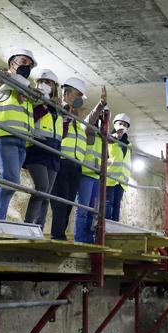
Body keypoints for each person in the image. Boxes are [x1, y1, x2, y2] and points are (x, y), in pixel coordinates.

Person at [0, 48, 36, 220]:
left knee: (11, 182)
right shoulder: (3, 78)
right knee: (10, 180)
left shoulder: (27, 89)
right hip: (3, 135)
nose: (26, 66)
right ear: (12, 63)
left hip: (20, 140)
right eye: (23, 61)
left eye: (29, 64)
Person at [74, 111, 132, 243]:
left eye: (125, 124)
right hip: (103, 177)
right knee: (88, 208)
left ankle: (98, 236)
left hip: (114, 180)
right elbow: (109, 139)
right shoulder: (104, 136)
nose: (122, 126)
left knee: (96, 210)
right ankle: (83, 238)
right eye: (120, 123)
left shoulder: (128, 145)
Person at [49, 77, 90, 240]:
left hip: (75, 165)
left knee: (68, 202)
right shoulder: (58, 108)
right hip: (61, 161)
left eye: (80, 95)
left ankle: (60, 233)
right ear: (67, 92)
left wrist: (75, 115)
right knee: (60, 200)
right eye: (77, 94)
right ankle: (57, 235)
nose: (78, 98)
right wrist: (67, 112)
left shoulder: (77, 122)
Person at [22, 68, 62, 227]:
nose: (44, 85)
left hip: (53, 151)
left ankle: (39, 228)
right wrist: (46, 104)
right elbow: (30, 117)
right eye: (42, 81)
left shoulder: (57, 109)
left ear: (54, 87)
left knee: (46, 194)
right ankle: (28, 225)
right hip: (37, 148)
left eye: (48, 83)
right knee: (42, 187)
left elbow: (61, 132)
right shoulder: (32, 98)